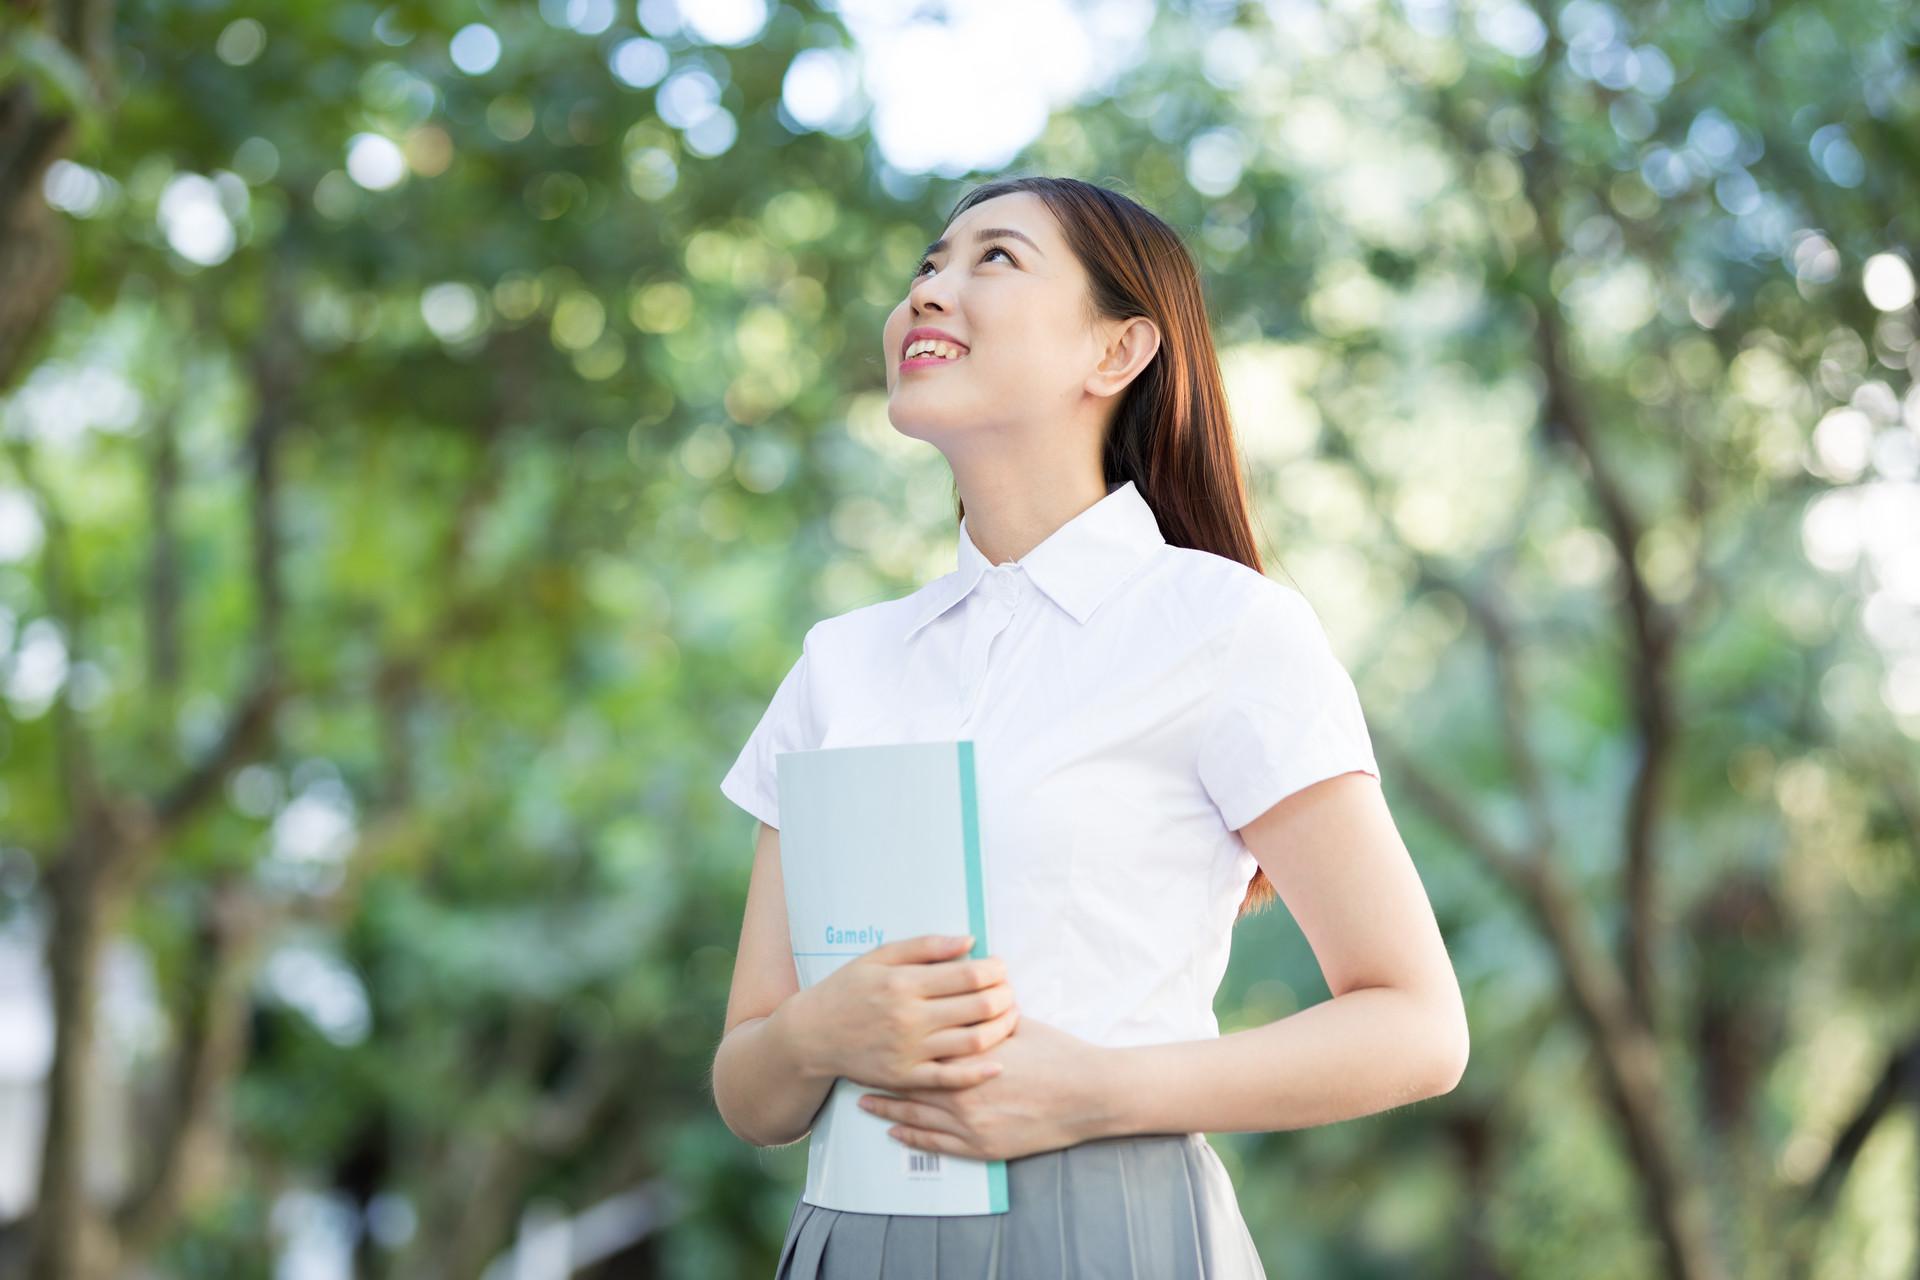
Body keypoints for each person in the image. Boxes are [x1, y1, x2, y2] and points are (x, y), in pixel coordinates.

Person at [709, 175, 1468, 1278]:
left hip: (1110, 1225)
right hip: (846, 1237)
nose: (929, 290)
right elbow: (749, 1084)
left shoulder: (1226, 629)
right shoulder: (843, 662)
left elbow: (1418, 1024)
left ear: (1116, 353)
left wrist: (1101, 1089)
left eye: (994, 260)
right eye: (928, 263)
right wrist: (821, 1034)